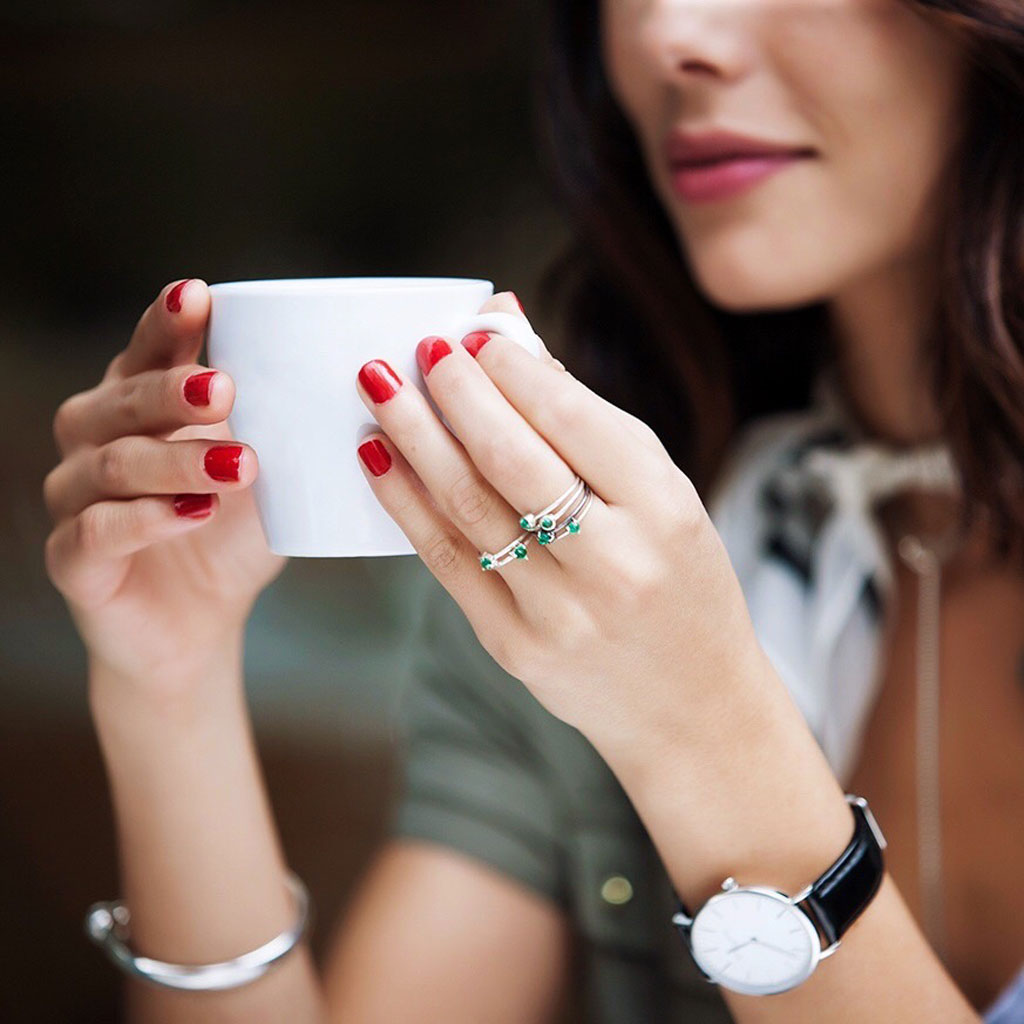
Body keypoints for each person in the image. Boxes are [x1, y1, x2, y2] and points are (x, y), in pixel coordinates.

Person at [42, 0, 1024, 1021]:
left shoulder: (616, 597)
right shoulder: (573, 570)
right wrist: (168, 683)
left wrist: (705, 733)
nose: (667, 35)